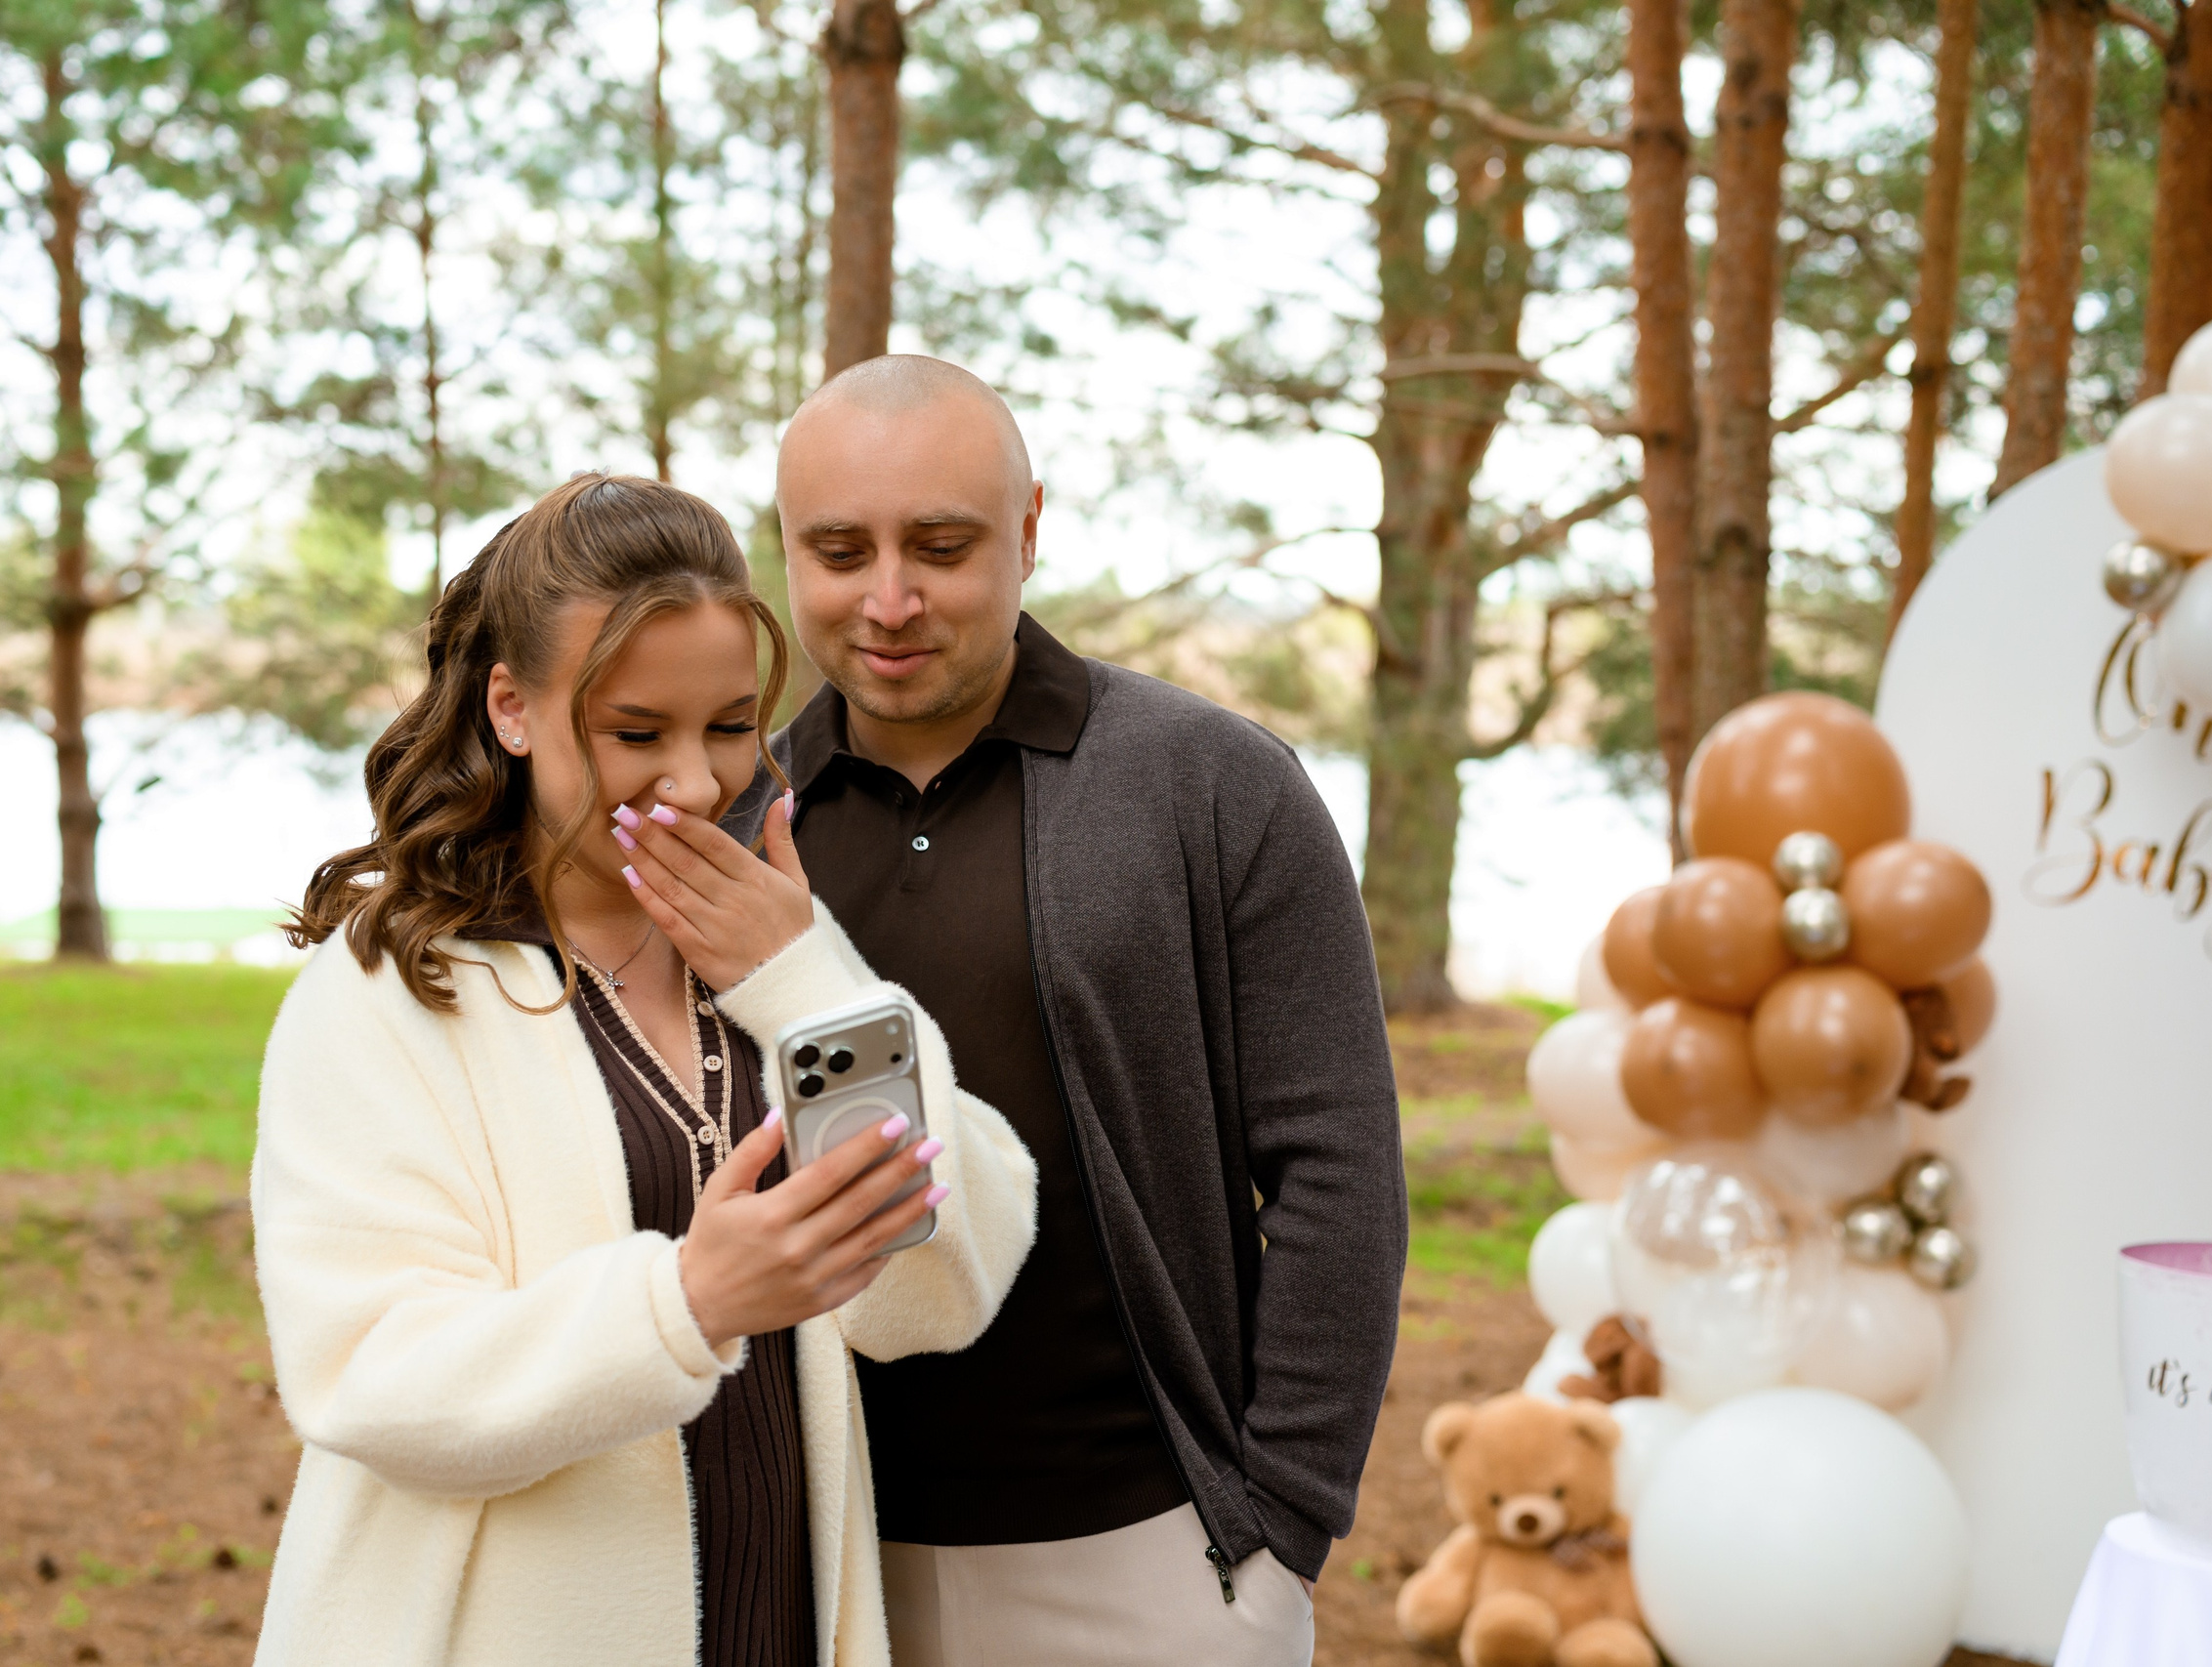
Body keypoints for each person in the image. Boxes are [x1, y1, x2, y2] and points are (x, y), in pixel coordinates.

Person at [250, 473, 1039, 1667]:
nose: (693, 784)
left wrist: (808, 981)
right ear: (511, 707)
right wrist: (687, 1305)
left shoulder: (765, 952)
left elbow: (941, 1287)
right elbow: (366, 1378)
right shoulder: (382, 997)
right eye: (634, 734)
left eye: (730, 727)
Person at [744, 355, 1407, 1666]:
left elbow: (1337, 1160)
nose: (889, 598)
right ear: (788, 549)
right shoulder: (743, 814)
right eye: (838, 549)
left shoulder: (1213, 783)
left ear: (1030, 529)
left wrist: (1282, 1515)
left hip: (1153, 1554)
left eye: (941, 543)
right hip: (829, 1563)